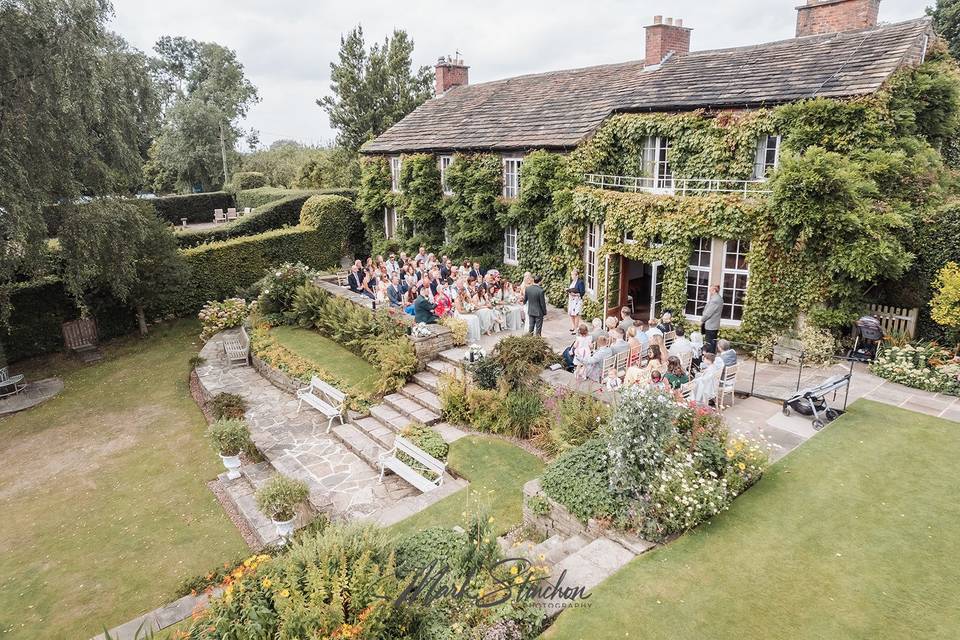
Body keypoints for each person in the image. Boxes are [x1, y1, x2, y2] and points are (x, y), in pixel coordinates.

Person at [701, 284, 723, 352]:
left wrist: (702, 320)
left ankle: (710, 359)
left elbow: (708, 313)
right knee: (712, 343)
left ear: (714, 290)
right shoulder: (718, 298)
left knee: (710, 344)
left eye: (710, 290)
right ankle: (711, 357)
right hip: (713, 325)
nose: (709, 292)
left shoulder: (715, 300)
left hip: (711, 325)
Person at [567, 268, 586, 333]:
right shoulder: (572, 281)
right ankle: (573, 326)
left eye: (573, 275)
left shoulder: (580, 282)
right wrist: (568, 291)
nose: (571, 276)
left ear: (577, 275)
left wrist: (575, 294)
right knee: (571, 314)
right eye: (571, 275)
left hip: (577, 301)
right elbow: (570, 289)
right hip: (571, 300)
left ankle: (576, 328)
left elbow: (582, 292)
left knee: (576, 314)